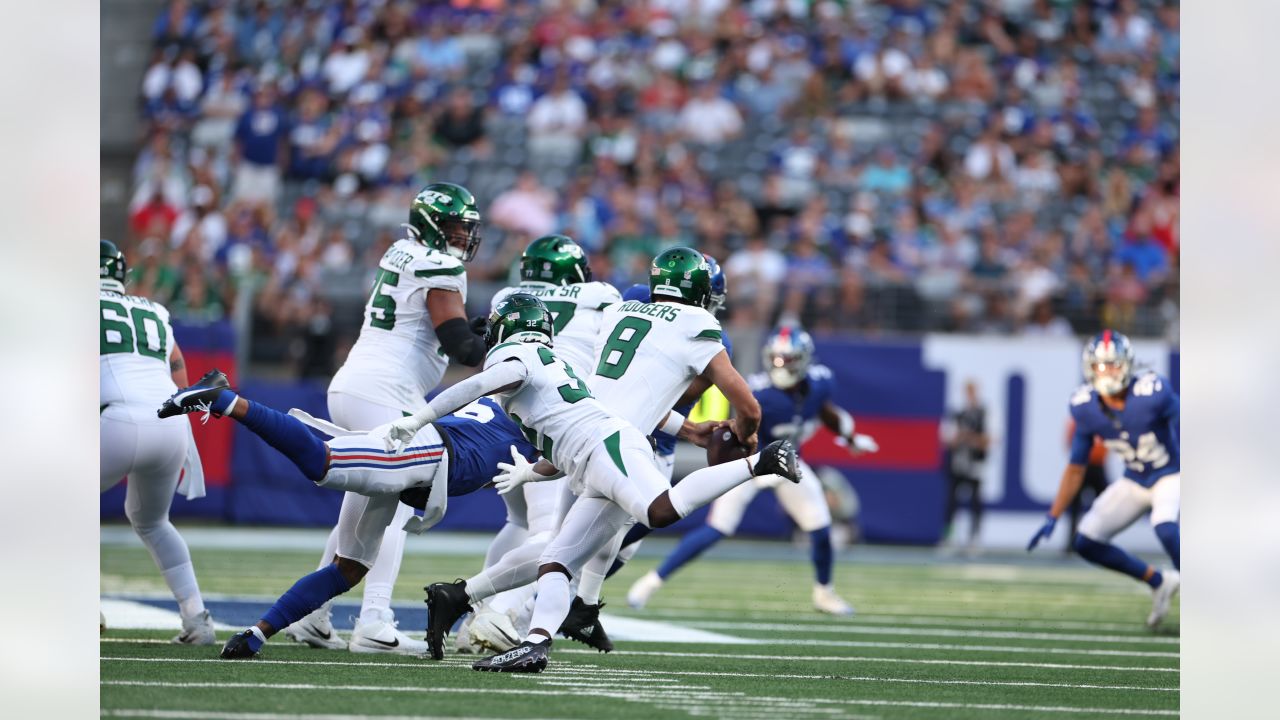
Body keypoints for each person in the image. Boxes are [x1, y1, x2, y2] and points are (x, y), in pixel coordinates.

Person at [404, 265, 799, 672]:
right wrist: (747, 437)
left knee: (557, 559)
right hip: (613, 441)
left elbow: (614, 394)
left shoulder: (618, 312)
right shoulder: (695, 322)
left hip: (589, 443)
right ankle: (762, 462)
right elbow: (747, 406)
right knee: (657, 511)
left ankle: (527, 636)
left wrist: (691, 431)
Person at [156, 373, 535, 659]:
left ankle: (256, 633)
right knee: (321, 461)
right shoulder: (532, 424)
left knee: (347, 570)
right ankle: (224, 399)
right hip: (425, 454)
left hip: (416, 470)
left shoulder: (506, 408)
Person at [285, 182, 487, 655]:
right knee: (395, 503)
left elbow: (429, 325)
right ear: (433, 227)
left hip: (354, 384)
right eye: (457, 228)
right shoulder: (440, 265)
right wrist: (500, 340)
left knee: (359, 509)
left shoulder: (401, 252)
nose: (463, 238)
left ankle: (312, 617)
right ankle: (374, 620)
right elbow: (460, 344)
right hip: (384, 393)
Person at [627, 324, 878, 617]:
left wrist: (850, 437)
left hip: (787, 462)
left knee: (820, 526)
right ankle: (651, 582)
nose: (782, 366)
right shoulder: (760, 391)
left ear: (805, 359)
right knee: (717, 528)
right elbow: (740, 429)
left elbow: (826, 411)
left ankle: (825, 593)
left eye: (790, 360)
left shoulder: (820, 383)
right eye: (778, 359)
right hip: (751, 462)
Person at [458, 234, 621, 655]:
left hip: (502, 411)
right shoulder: (599, 295)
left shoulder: (510, 295)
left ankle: (471, 613)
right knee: (551, 535)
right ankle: (496, 614)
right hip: (552, 420)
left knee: (517, 524)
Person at [100, 239, 214, 645]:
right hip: (169, 423)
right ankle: (196, 618)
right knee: (152, 521)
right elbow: (179, 371)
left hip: (116, 417)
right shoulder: (152, 310)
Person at [1028, 330, 1180, 628]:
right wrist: (1053, 515)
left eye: (1113, 364)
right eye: (1100, 365)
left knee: (1164, 528)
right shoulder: (1085, 406)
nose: (1107, 371)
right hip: (1134, 480)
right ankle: (1159, 581)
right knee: (1086, 541)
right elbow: (1076, 467)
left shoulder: (1151, 391)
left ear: (1127, 364)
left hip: (1171, 474)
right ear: (1089, 368)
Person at [940, 380, 990, 554]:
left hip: (976, 465)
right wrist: (962, 437)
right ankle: (949, 537)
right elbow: (947, 439)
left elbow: (989, 440)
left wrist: (970, 438)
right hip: (958, 463)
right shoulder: (957, 413)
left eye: (973, 391)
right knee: (952, 502)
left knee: (976, 502)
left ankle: (974, 538)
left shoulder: (984, 413)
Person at [1063, 418, 1110, 554]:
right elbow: (1070, 441)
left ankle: (1099, 541)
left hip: (1097, 466)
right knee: (1075, 506)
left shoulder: (1103, 418)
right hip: (1082, 466)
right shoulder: (1078, 418)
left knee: (1105, 505)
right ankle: (1072, 542)